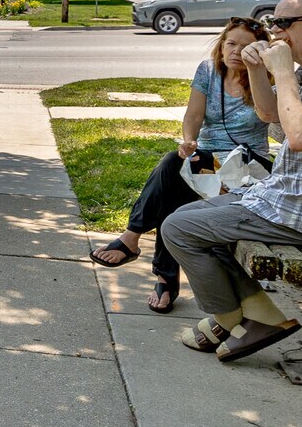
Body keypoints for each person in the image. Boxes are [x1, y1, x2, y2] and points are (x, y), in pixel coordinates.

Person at [160, 0, 302, 361]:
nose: (275, 32)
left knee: (177, 230)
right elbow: (268, 116)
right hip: (286, 197)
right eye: (273, 22)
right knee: (184, 218)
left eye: (285, 23)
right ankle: (255, 314)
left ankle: (229, 318)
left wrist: (281, 72)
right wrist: (259, 70)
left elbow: (298, 138)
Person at [90, 18, 274, 313]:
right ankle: (143, 249)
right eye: (231, 43)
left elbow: (271, 116)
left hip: (249, 167)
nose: (236, 51)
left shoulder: (265, 77)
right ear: (222, 45)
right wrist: (189, 141)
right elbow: (193, 116)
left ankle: (148, 258)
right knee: (174, 165)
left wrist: (259, 70)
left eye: (245, 46)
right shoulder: (208, 71)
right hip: (209, 160)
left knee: (176, 188)